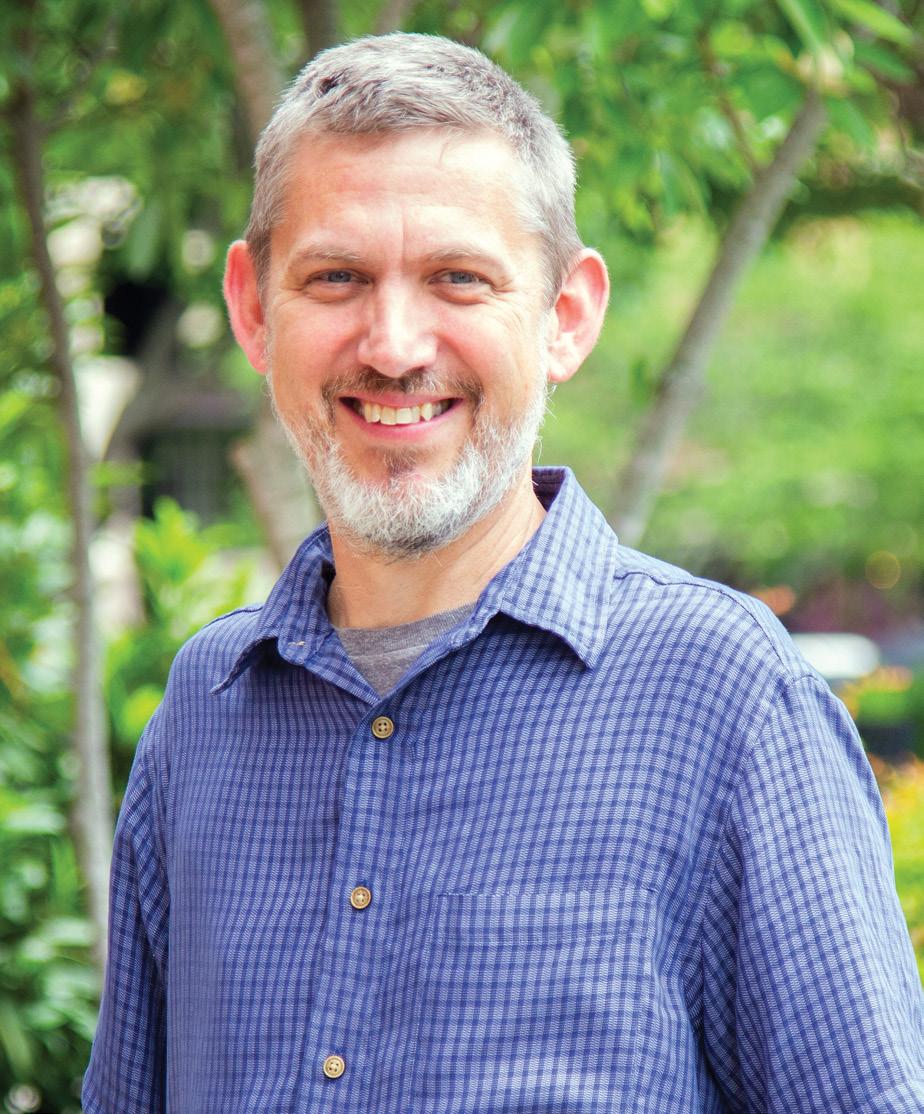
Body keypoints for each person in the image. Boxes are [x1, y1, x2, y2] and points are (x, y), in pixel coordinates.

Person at [82, 32, 924, 1114]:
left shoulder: (729, 702)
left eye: (458, 279)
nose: (393, 346)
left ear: (565, 316)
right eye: (336, 278)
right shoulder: (204, 715)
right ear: (253, 310)